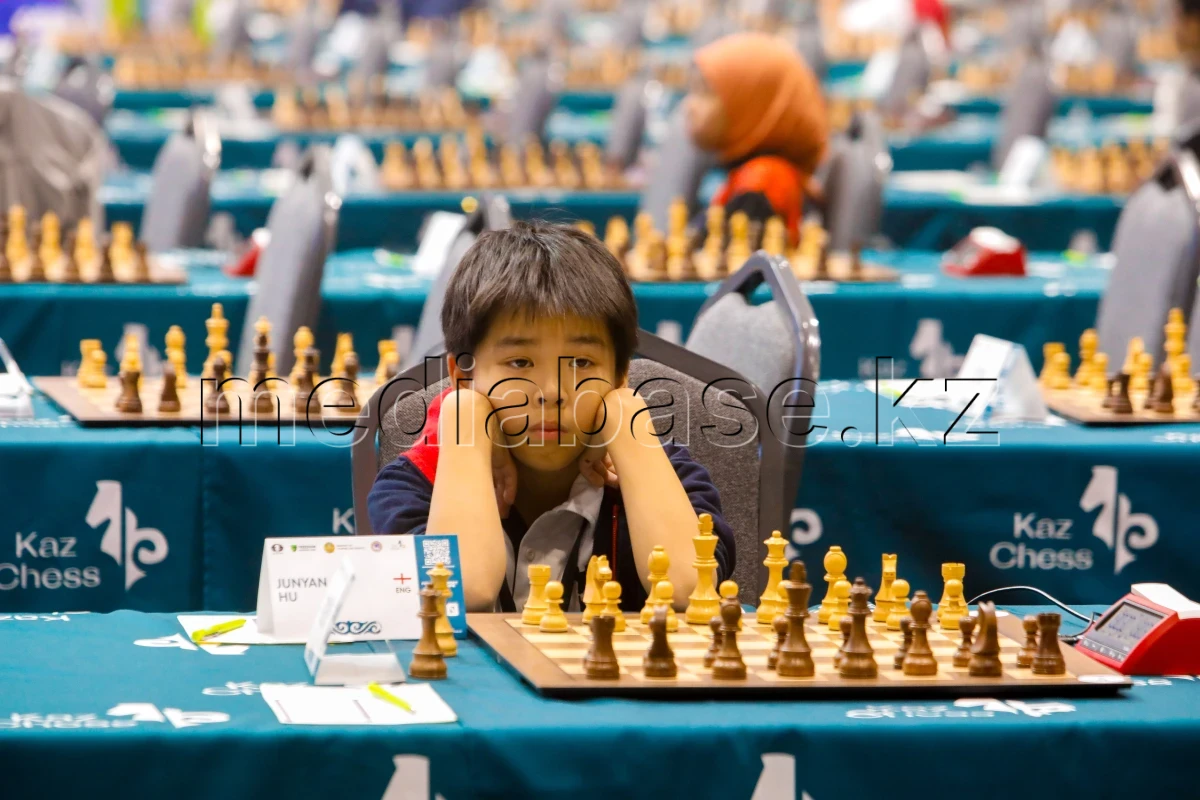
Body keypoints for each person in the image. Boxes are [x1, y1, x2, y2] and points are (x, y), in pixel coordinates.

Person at [368, 222, 735, 613]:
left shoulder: (669, 476)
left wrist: (627, 416)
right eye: (520, 362)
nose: (552, 391)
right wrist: (465, 415)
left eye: (581, 362)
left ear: (619, 376)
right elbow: (463, 589)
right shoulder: (413, 487)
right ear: (463, 375)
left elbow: (689, 588)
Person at [683, 32, 829, 246]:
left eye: (705, 92)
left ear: (754, 105)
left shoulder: (762, 184)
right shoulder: (749, 175)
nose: (689, 106)